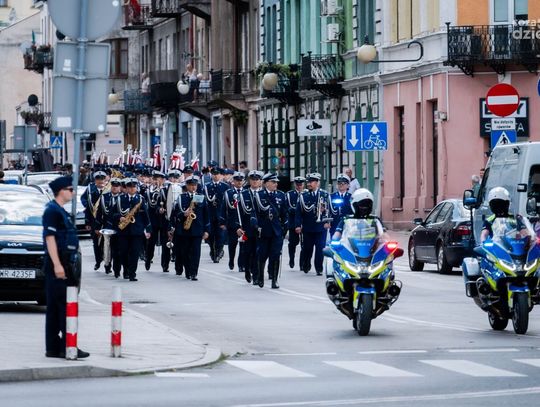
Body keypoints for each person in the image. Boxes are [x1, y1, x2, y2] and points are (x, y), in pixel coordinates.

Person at [43, 176, 89, 359]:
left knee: (56, 307)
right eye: (70, 189)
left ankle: (54, 347)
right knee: (64, 307)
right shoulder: (52, 211)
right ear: (61, 191)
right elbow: (50, 238)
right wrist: (57, 265)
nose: (73, 192)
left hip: (64, 262)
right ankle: (68, 346)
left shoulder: (59, 210)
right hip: (59, 263)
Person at [169, 175, 209, 280]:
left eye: (195, 185)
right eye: (191, 185)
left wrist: (206, 230)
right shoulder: (181, 198)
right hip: (184, 230)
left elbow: (206, 215)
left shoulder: (201, 197)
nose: (193, 187)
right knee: (185, 252)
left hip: (197, 229)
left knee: (196, 252)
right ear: (187, 186)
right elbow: (175, 214)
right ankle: (187, 270)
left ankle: (194, 272)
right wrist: (183, 214)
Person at [252, 173, 288, 288]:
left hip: (277, 230)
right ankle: (260, 277)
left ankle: (274, 280)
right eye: (273, 182)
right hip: (264, 230)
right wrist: (256, 226)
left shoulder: (281, 195)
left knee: (276, 254)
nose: (275, 184)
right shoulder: (259, 195)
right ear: (266, 183)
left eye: (276, 182)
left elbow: (284, 213)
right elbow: (254, 213)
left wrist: (285, 226)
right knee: (262, 254)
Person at [112, 178, 151, 281]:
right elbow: (113, 213)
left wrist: (148, 229)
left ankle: (132, 273)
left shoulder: (141, 199)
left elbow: (146, 215)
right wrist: (119, 217)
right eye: (130, 187)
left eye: (134, 187)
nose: (132, 189)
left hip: (137, 231)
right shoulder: (120, 199)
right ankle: (126, 270)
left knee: (135, 253)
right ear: (126, 188)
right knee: (123, 252)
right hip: (123, 231)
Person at [294, 173, 331, 275]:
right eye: (308, 182)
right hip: (308, 227)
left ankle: (319, 268)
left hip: (321, 227)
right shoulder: (303, 196)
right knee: (308, 248)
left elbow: (329, 210)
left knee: (320, 248)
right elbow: (298, 212)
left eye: (311, 182)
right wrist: (298, 225)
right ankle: (306, 264)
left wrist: (327, 222)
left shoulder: (324, 195)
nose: (309, 184)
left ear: (317, 183)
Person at [236, 170, 264, 284]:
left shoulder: (264, 194)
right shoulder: (243, 194)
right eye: (253, 179)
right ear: (249, 181)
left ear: (260, 181)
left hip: (260, 229)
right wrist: (238, 227)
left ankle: (256, 275)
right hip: (247, 229)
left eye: (257, 179)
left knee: (258, 252)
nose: (255, 181)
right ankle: (247, 269)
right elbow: (238, 213)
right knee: (247, 251)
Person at [95, 177, 123, 277]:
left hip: (119, 227)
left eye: (117, 186)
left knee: (117, 249)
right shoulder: (104, 197)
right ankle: (107, 265)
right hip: (107, 226)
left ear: (120, 187)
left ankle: (117, 269)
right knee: (107, 248)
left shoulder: (122, 197)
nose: (115, 188)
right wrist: (97, 227)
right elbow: (99, 213)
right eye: (113, 186)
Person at [80, 170, 108, 271]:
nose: (100, 181)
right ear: (95, 180)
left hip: (106, 221)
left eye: (102, 179)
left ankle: (107, 264)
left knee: (107, 243)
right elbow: (85, 202)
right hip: (94, 220)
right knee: (96, 243)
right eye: (98, 179)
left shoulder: (108, 190)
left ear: (105, 179)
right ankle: (98, 261)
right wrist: (87, 222)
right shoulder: (90, 189)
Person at [220, 171, 245, 272]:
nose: (239, 182)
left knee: (243, 245)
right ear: (233, 181)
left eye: (241, 180)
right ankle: (231, 260)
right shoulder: (228, 193)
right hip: (232, 223)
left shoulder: (246, 192)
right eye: (237, 180)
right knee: (232, 244)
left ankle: (241, 264)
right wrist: (222, 222)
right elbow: (224, 208)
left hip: (244, 224)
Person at [144, 171, 170, 272]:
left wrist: (165, 210)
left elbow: (170, 203)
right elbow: (149, 206)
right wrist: (158, 209)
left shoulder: (167, 190)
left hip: (165, 220)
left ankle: (165, 264)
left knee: (166, 243)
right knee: (151, 243)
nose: (156, 181)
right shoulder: (149, 191)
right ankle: (148, 258)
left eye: (158, 179)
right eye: (154, 179)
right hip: (153, 220)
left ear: (163, 180)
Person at [204, 167, 229, 263]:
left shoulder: (225, 186)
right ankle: (212, 249)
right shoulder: (206, 186)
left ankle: (219, 251)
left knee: (220, 234)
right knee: (210, 234)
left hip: (220, 214)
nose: (215, 176)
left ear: (220, 175)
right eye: (214, 174)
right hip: (210, 214)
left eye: (217, 174)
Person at [285, 176, 306, 270]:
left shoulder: (306, 194)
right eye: (297, 184)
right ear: (294, 185)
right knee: (293, 243)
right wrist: (299, 210)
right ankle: (291, 258)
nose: (299, 186)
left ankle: (302, 263)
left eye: (301, 184)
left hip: (304, 222)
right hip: (293, 222)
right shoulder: (289, 195)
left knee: (304, 244)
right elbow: (288, 208)